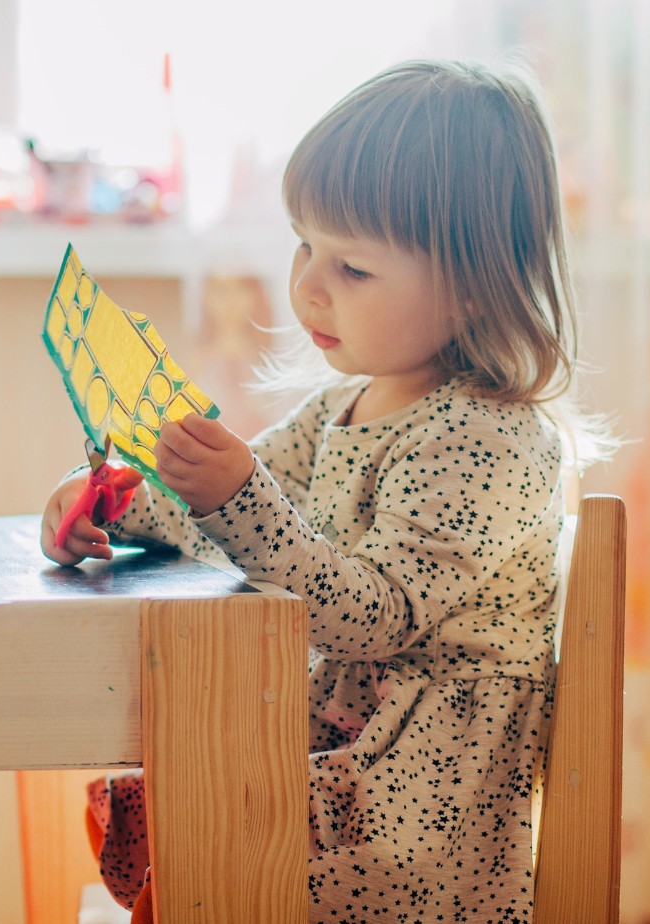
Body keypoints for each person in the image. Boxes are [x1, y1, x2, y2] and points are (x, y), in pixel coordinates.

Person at [41, 58, 609, 924]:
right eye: (305, 244)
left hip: (414, 819)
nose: (307, 283)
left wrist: (234, 497)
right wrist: (121, 505)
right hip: (344, 760)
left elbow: (372, 615)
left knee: (206, 838)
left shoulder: (489, 439)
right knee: (187, 809)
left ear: (473, 286)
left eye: (354, 269)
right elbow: (238, 516)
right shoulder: (346, 404)